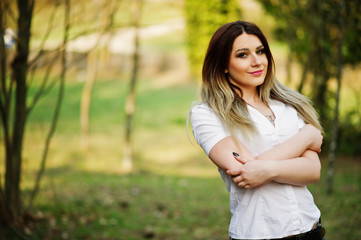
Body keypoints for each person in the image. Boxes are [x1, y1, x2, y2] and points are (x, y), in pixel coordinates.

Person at [189, 21, 326, 240]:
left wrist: (266, 170)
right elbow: (245, 171)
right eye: (242, 55)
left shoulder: (289, 105)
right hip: (259, 235)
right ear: (223, 64)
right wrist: (306, 137)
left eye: (260, 51)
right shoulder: (208, 114)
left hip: (311, 231)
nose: (256, 62)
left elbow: (312, 171)